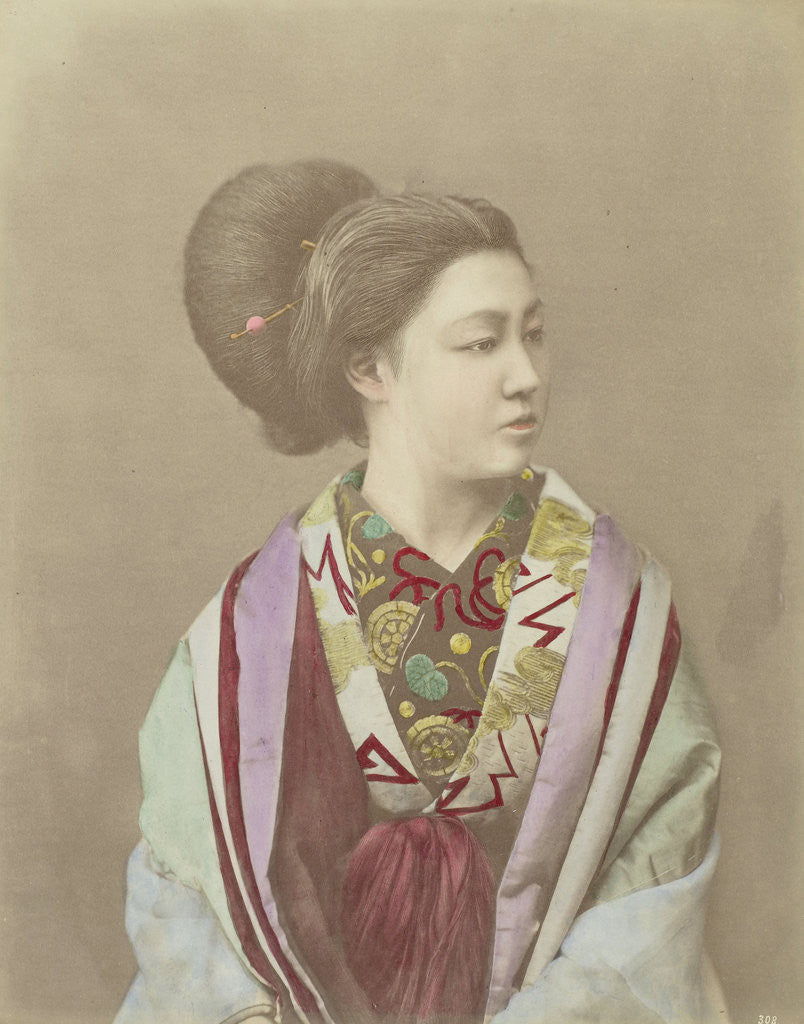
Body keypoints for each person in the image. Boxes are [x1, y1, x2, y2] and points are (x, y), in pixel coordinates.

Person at [115, 160, 724, 1024]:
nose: (526, 374)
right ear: (370, 368)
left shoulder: (620, 606)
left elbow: (653, 885)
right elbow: (185, 894)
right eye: (482, 343)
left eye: (534, 334)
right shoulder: (251, 628)